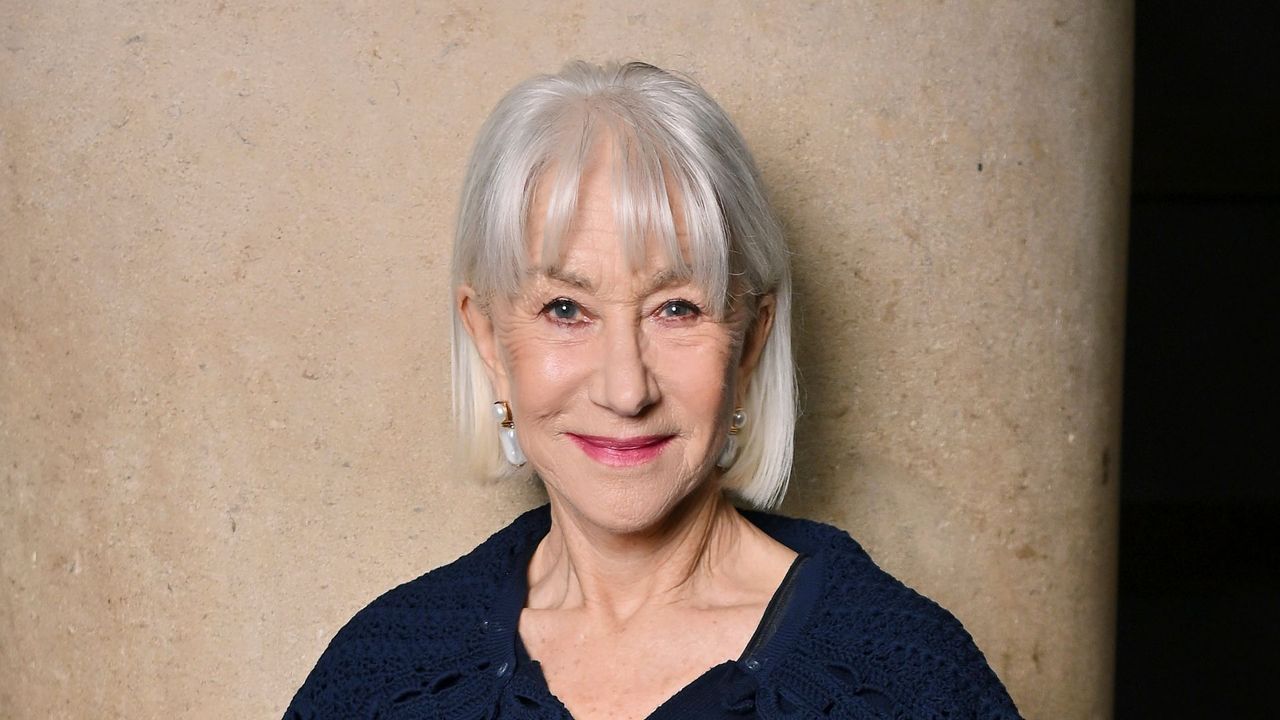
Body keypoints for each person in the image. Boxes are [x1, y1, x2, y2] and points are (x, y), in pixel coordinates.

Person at [283, 60, 1021, 720]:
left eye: (677, 309)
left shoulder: (908, 680)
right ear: (489, 341)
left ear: (750, 340)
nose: (625, 389)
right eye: (565, 309)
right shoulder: (382, 673)